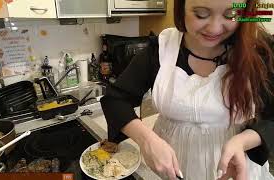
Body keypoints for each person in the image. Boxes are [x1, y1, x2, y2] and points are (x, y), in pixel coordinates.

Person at [100, 0, 274, 179]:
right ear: (181, 7)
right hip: (171, 169)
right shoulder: (161, 49)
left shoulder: (260, 51)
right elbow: (115, 100)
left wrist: (243, 141)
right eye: (200, 14)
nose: (214, 29)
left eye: (231, 15)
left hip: (238, 169)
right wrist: (146, 140)